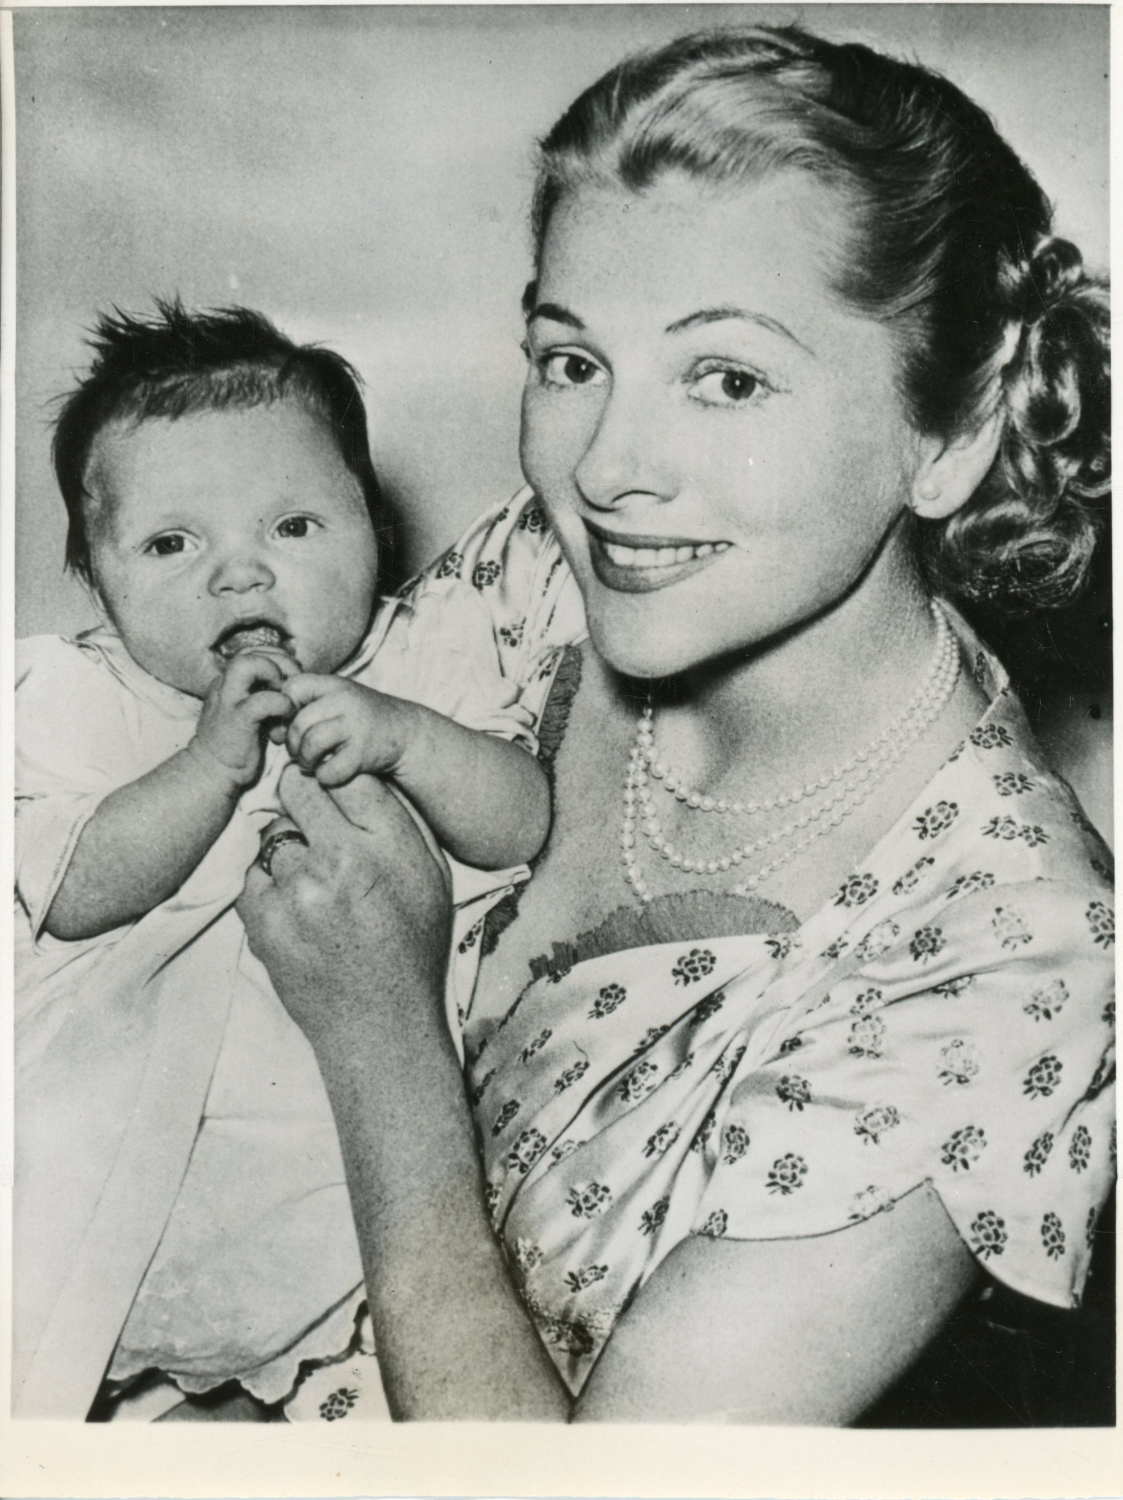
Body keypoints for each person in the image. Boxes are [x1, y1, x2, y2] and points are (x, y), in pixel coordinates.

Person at [242, 24, 1113, 1423]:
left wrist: (380, 1042)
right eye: (571, 360)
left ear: (944, 434)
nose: (603, 469)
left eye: (725, 377)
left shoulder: (1004, 966)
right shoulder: (539, 579)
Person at [13, 301, 549, 1419]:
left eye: (294, 527)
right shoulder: (73, 701)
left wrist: (407, 737)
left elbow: (522, 821)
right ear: (96, 585)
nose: (240, 578)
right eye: (172, 544)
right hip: (123, 1183)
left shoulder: (418, 662)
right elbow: (62, 890)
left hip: (346, 1226)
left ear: (375, 533)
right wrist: (207, 766)